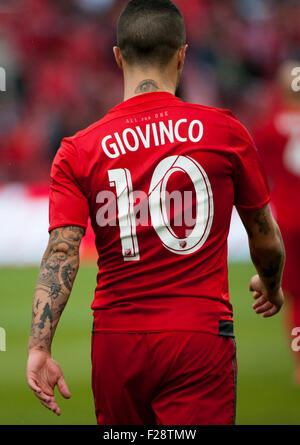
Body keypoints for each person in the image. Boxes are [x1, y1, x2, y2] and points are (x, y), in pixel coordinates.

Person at [26, 0, 285, 425]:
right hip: (199, 335)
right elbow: (266, 238)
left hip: (115, 343)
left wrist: (39, 347)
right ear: (183, 54)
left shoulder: (78, 150)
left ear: (117, 56)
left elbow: (62, 252)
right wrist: (272, 286)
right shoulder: (226, 131)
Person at [254, 60, 300, 384]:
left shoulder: (269, 127)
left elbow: (261, 175)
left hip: (289, 219)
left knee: (297, 297)